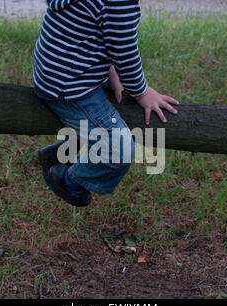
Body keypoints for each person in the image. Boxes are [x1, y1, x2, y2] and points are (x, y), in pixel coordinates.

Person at [33, 0, 179, 207]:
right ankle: (68, 182)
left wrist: (111, 70)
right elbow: (125, 52)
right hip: (70, 86)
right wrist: (142, 93)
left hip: (55, 70)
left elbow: (87, 28)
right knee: (119, 149)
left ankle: (59, 154)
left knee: (97, 124)